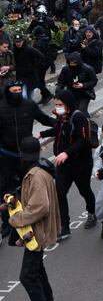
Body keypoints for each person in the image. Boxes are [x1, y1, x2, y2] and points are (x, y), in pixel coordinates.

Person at [3, 136, 60, 301]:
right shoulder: (37, 172)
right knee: (37, 269)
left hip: (37, 233)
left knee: (27, 276)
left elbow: (40, 207)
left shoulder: (35, 177)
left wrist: (16, 219)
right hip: (38, 231)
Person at [0, 81, 55, 240]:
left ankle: (29, 216)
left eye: (19, 90)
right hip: (7, 154)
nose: (17, 93)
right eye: (14, 90)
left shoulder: (29, 105)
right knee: (5, 188)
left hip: (26, 156)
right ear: (7, 92)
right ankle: (7, 223)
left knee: (29, 186)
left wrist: (61, 123)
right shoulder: (1, 107)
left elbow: (44, 119)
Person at [39, 90, 97, 240]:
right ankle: (65, 227)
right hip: (63, 166)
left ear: (68, 104)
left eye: (60, 105)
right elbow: (57, 130)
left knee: (85, 191)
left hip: (80, 164)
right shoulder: (61, 117)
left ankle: (92, 212)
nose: (57, 107)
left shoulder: (78, 117)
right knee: (59, 193)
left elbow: (83, 140)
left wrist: (67, 153)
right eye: (56, 104)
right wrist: (41, 134)